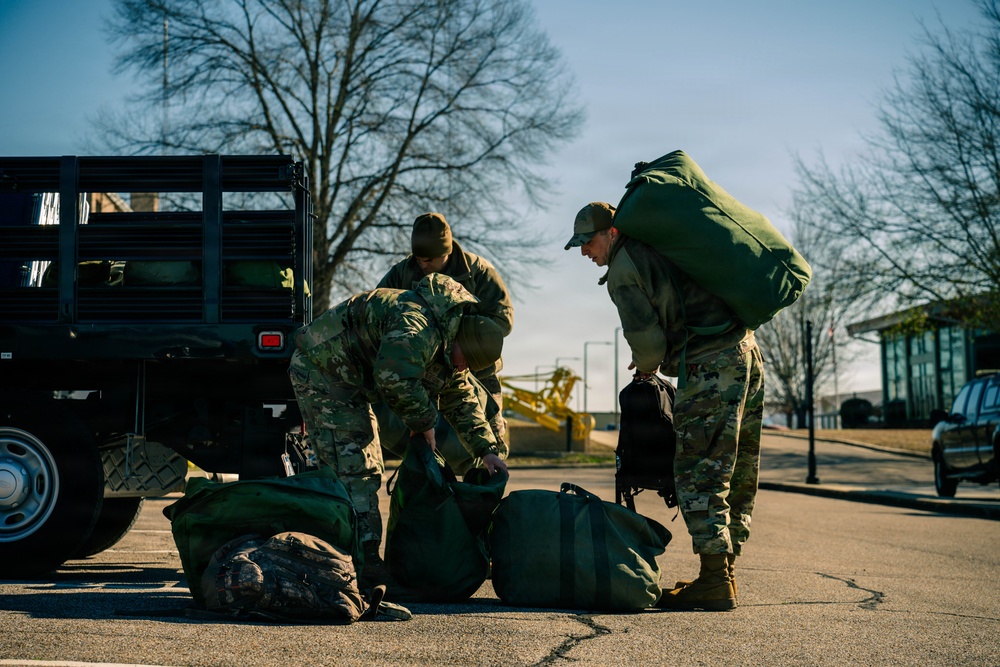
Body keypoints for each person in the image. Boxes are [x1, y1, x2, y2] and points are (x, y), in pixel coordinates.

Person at [566, 201, 765, 612]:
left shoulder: (624, 267)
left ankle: (714, 580)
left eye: (589, 242)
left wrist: (643, 366)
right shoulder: (661, 245)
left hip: (710, 362)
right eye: (580, 245)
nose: (585, 251)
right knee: (738, 465)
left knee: (698, 469)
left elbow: (650, 345)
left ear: (613, 234)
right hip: (746, 350)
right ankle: (722, 572)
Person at [288, 272, 508, 586]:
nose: (464, 369)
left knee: (368, 464)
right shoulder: (417, 326)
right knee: (355, 465)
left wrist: (486, 451)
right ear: (461, 342)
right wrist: (424, 424)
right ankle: (361, 561)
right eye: (466, 362)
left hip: (350, 379)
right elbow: (394, 377)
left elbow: (461, 399)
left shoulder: (446, 340)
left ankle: (351, 554)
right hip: (322, 371)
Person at [377, 212, 514, 467]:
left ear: (446, 252)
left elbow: (503, 321)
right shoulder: (402, 273)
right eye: (418, 260)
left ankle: (483, 489)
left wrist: (459, 333)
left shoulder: (479, 272)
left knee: (489, 433)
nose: (423, 265)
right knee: (424, 432)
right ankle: (432, 488)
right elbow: (380, 311)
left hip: (477, 366)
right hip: (428, 367)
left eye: (429, 260)